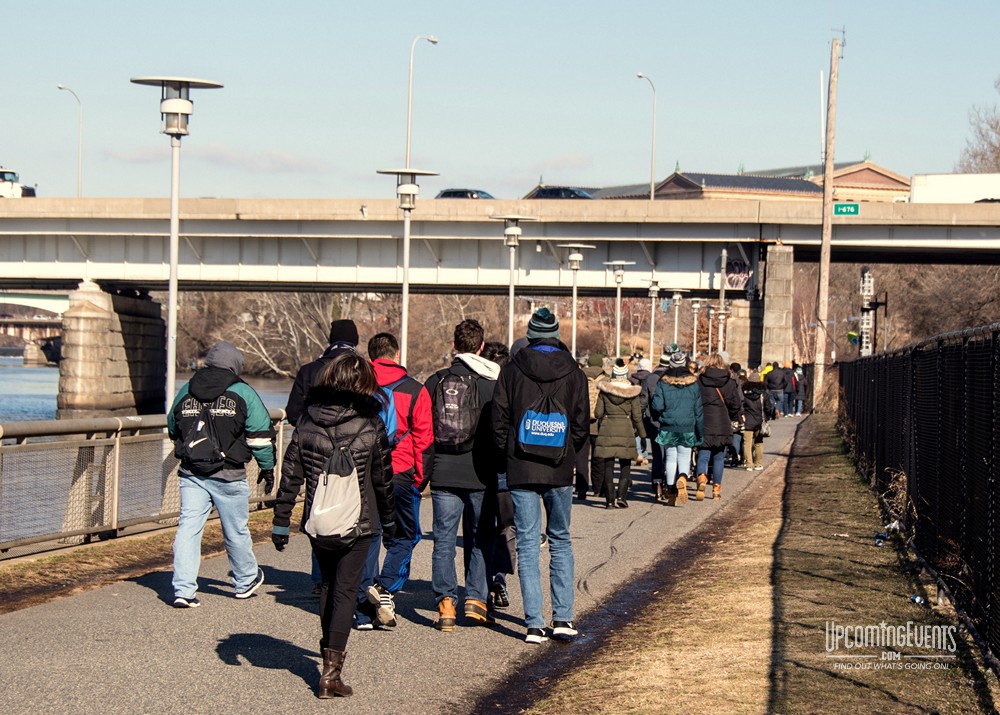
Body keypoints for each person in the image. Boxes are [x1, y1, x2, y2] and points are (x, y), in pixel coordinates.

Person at [270, 352, 395, 698]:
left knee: (327, 586)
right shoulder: (370, 423)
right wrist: (391, 521)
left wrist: (282, 520)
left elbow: (291, 472)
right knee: (344, 592)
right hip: (360, 521)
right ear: (363, 385)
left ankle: (329, 659)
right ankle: (330, 673)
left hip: (319, 518)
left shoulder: (307, 420)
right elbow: (382, 479)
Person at [492, 307, 589, 644]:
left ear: (531, 334)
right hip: (559, 469)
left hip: (521, 466)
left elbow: (499, 419)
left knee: (528, 543)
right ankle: (563, 618)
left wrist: (510, 452)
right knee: (560, 539)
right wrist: (567, 453)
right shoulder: (575, 372)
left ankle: (534, 623)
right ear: (556, 334)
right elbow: (581, 424)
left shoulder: (511, 369)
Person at [168, 340, 275, 608]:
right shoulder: (242, 391)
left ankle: (183, 589)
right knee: (235, 530)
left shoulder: (187, 389)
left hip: (192, 473)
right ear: (235, 365)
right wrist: (267, 467)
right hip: (229, 473)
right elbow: (260, 435)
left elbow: (173, 427)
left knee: (188, 529)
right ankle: (245, 580)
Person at [353, 331, 434, 630]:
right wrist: (420, 478)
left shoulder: (358, 385)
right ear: (396, 355)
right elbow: (425, 438)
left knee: (369, 537)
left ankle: (362, 613)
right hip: (400, 473)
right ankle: (385, 588)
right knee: (405, 536)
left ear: (372, 356)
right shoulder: (415, 389)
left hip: (362, 472)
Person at [424, 319, 499, 631]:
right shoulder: (491, 382)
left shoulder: (435, 381)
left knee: (443, 538)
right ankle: (475, 599)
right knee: (480, 536)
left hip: (443, 471)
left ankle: (445, 604)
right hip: (480, 472)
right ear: (481, 347)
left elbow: (423, 429)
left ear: (454, 345)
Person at [650, 351, 703, 506]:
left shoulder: (663, 382)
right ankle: (682, 478)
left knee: (671, 458)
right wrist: (699, 432)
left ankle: (672, 489)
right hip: (687, 425)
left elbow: (656, 405)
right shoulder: (693, 384)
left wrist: (660, 416)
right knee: (684, 457)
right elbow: (698, 411)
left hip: (668, 425)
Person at [285, 319, 361, 426]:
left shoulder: (308, 371)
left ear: (331, 341)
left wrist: (310, 428)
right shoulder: (366, 371)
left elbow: (293, 413)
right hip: (357, 438)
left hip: (313, 437)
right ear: (355, 341)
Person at [594, 358, 645, 509]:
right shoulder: (632, 393)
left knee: (608, 464)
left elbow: (597, 413)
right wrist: (642, 435)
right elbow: (637, 416)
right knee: (625, 464)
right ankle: (622, 496)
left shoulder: (605, 391)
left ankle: (609, 500)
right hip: (626, 429)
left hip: (608, 429)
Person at [695, 352, 743, 500]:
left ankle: (702, 477)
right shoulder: (729, 381)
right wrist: (733, 416)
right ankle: (716, 489)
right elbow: (735, 404)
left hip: (705, 421)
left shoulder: (699, 380)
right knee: (719, 457)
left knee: (703, 453)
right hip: (723, 421)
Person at [642, 350, 672, 500]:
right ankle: (668, 482)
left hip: (653, 421)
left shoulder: (649, 379)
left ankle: (657, 482)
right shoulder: (673, 379)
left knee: (657, 453)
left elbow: (643, 401)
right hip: (670, 421)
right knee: (669, 454)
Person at [579, 354, 608, 500]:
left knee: (581, 457)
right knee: (599, 457)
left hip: (581, 423)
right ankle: (598, 488)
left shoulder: (579, 377)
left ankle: (581, 488)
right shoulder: (606, 380)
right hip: (599, 423)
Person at [741, 371, 773, 471]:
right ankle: (758, 464)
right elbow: (768, 407)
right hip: (760, 421)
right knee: (759, 443)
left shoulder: (744, 393)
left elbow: (740, 405)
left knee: (747, 443)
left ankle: (749, 464)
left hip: (747, 420)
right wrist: (767, 417)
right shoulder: (763, 394)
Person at [629, 358, 653, 466]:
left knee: (636, 432)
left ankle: (638, 453)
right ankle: (645, 455)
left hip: (634, 408)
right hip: (648, 409)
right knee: (646, 433)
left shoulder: (632, 378)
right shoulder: (652, 378)